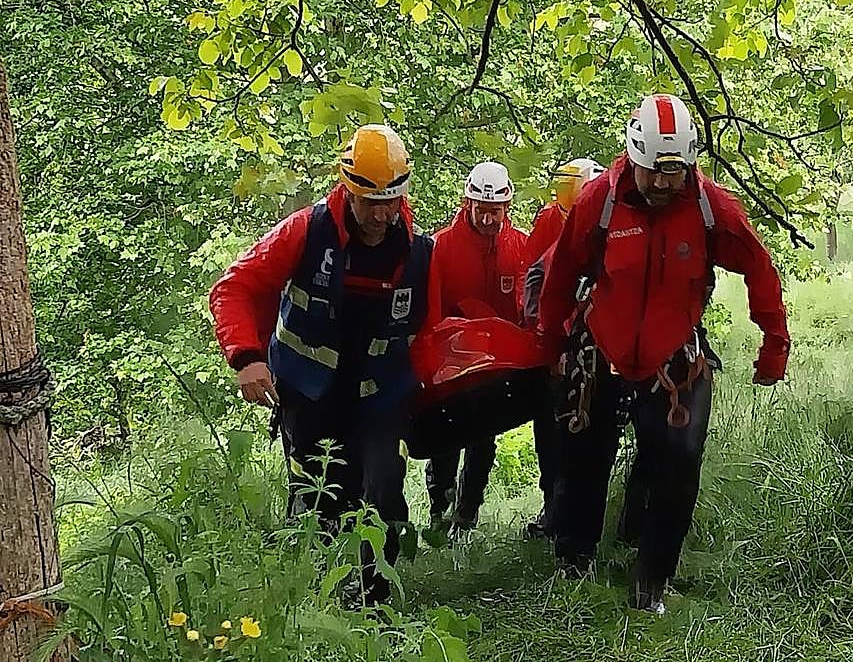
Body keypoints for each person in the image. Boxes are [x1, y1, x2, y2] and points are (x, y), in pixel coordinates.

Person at [538, 93, 790, 614]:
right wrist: (551, 344)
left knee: (678, 459)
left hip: (673, 355)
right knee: (584, 457)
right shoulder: (599, 203)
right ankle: (574, 563)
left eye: (673, 174)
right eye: (653, 172)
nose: (661, 184)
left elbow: (760, 270)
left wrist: (773, 347)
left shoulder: (710, 208)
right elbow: (562, 273)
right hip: (603, 349)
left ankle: (651, 580)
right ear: (635, 157)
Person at [209, 124, 435, 604]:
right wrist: (247, 358)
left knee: (382, 492)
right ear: (347, 191)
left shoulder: (419, 252)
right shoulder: (305, 231)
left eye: (391, 201)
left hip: (377, 396)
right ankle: (317, 600)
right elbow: (235, 288)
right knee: (319, 497)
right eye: (370, 203)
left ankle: (375, 601)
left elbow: (434, 328)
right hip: (308, 391)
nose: (381, 215)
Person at [424, 161, 529, 534]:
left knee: (483, 441)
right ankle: (439, 508)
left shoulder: (518, 246)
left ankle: (466, 517)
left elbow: (524, 303)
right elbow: (430, 305)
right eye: (481, 210)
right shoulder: (442, 246)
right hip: (449, 364)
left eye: (495, 211)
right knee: (445, 439)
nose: (488, 219)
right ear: (467, 204)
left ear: (507, 209)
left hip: (495, 365)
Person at [521, 157, 605, 540]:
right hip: (568, 346)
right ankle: (556, 512)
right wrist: (546, 337)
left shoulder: (613, 225)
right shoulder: (554, 226)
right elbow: (536, 274)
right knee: (555, 431)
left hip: (600, 348)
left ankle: (574, 519)